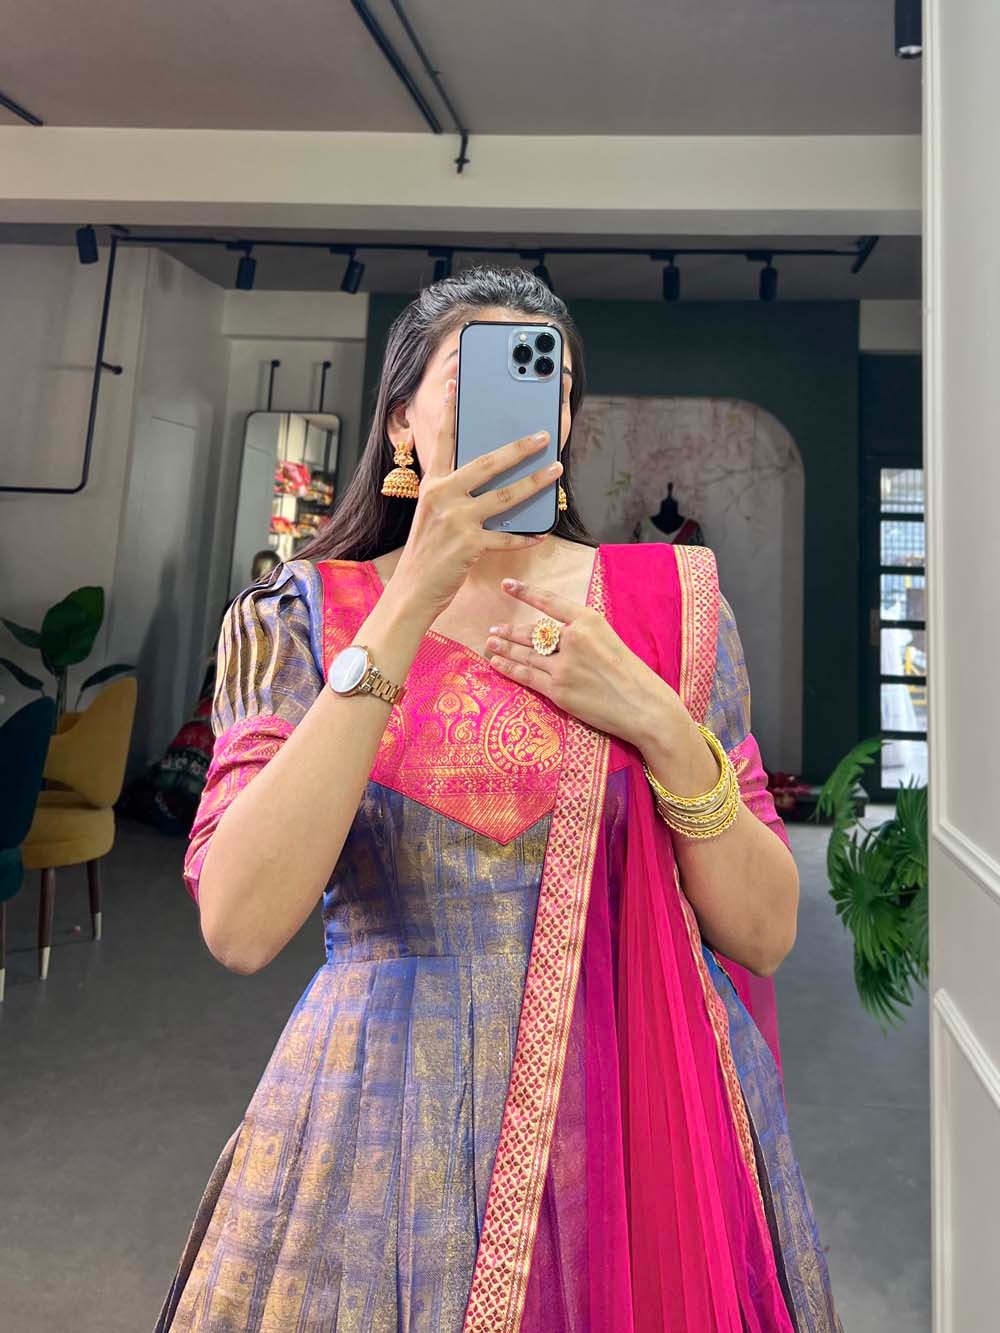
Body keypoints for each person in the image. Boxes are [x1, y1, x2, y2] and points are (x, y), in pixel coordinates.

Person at [156, 268, 840, 1332]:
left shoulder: (665, 607)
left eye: (550, 387)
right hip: (381, 1127)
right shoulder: (303, 617)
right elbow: (241, 924)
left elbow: (764, 930)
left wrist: (660, 724)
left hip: (636, 1139)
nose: (527, 413)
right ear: (400, 423)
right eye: (478, 381)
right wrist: (409, 602)